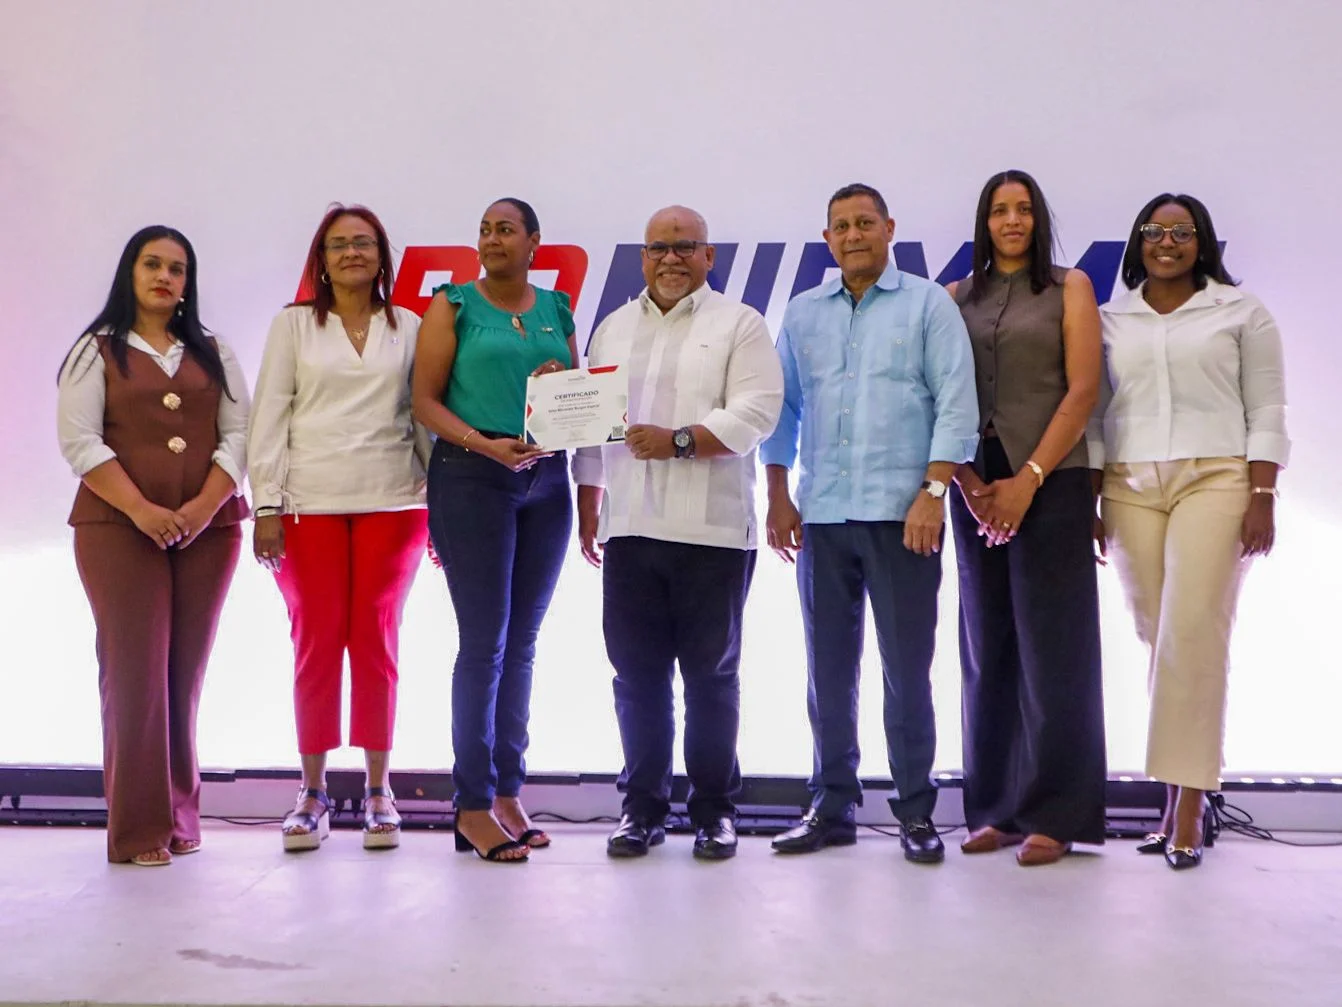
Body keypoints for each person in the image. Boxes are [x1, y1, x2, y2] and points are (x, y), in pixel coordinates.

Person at [761, 183, 979, 864]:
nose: (853, 235)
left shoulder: (927, 305)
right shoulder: (803, 312)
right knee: (828, 674)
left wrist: (933, 492)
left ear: (889, 228)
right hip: (822, 516)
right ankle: (831, 807)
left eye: (864, 222)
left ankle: (915, 811)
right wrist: (777, 493)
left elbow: (957, 404)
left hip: (902, 518)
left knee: (907, 673)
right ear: (827, 239)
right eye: (841, 226)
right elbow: (784, 409)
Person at [573, 206, 783, 860]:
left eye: (685, 246)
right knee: (635, 678)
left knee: (711, 680)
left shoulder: (739, 324)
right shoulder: (612, 329)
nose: (671, 258)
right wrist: (588, 500)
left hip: (712, 534)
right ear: (642, 257)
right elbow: (593, 426)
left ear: (708, 256)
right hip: (630, 529)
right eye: (659, 247)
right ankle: (642, 809)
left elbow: (757, 412)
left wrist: (681, 441)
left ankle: (715, 811)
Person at [1090, 193, 1289, 870]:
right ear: (1138, 241)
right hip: (1128, 486)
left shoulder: (1241, 311)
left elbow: (1268, 407)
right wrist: (1090, 495)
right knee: (1159, 637)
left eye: (1181, 232)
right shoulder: (1112, 318)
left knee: (1193, 635)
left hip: (1217, 478)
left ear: (1202, 241)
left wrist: (1263, 493)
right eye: (1155, 230)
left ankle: (1188, 808)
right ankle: (1181, 790)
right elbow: (1095, 413)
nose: (1167, 242)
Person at [57, 226, 250, 865]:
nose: (165, 276)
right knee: (135, 674)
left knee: (184, 674)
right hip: (117, 529)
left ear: (188, 282)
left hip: (208, 531)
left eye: (177, 268)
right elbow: (80, 441)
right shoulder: (95, 350)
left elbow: (239, 437)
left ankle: (179, 815)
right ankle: (139, 829)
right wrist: (141, 510)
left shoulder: (215, 351)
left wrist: (202, 508)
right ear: (130, 273)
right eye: (152, 264)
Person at [248, 204, 430, 852]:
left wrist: (442, 505)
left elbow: (424, 418)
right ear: (321, 260)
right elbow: (269, 415)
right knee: (317, 641)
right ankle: (313, 792)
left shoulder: (409, 325)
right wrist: (266, 505)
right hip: (308, 505)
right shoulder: (293, 325)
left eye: (364, 243)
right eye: (338, 244)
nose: (352, 252)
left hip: (395, 502)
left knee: (376, 638)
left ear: (382, 255)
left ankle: (379, 790)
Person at [946, 170, 1106, 866]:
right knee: (988, 648)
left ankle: (1057, 813)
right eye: (999, 210)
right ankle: (996, 810)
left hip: (1053, 479)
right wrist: (968, 480)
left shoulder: (1070, 288)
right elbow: (942, 392)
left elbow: (1083, 390)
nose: (1012, 220)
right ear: (984, 223)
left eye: (1023, 209)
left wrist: (1029, 479)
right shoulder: (955, 297)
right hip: (977, 485)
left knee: (1056, 652)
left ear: (1038, 219)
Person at [412, 198, 578, 863]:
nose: (491, 238)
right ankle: (473, 805)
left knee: (523, 645)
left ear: (534, 241)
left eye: (505, 229)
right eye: (484, 229)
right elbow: (424, 400)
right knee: (484, 644)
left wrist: (561, 388)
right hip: (472, 476)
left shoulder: (556, 308)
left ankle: (508, 792)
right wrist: (484, 444)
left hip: (547, 480)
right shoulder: (452, 305)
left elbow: (572, 397)